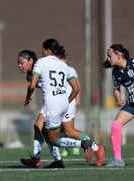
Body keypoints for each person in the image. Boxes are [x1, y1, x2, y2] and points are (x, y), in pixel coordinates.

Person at [20, 39, 105, 168]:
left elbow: (34, 85)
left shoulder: (41, 64)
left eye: (21, 62)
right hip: (63, 101)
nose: (19, 65)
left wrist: (28, 98)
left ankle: (85, 146)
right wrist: (67, 101)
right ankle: (46, 159)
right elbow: (76, 88)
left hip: (55, 102)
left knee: (54, 137)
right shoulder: (61, 65)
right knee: (43, 127)